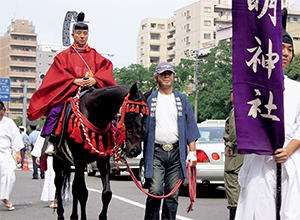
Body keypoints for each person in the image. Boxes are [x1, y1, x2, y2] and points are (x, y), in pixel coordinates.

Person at [235, 9, 300, 220]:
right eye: (281, 47)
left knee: (288, 212)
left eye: (290, 49)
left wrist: (289, 150)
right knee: (257, 210)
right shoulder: (253, 86)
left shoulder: (297, 89)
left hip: (289, 161)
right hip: (259, 160)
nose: (287, 54)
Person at [27, 12, 117, 138]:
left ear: (88, 35)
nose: (82, 37)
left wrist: (95, 80)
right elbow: (56, 75)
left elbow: (106, 68)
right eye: (79, 33)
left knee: (110, 117)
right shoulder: (63, 56)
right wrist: (73, 81)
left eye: (85, 34)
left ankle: (116, 141)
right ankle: (48, 140)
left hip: (92, 93)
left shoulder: (95, 55)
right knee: (55, 112)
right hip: (70, 94)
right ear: (73, 35)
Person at [143, 62, 200, 220]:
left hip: (176, 152)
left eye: (169, 73)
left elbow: (190, 128)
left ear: (174, 77)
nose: (166, 76)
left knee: (172, 195)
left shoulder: (182, 100)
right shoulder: (149, 100)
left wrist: (192, 152)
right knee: (155, 191)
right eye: (163, 74)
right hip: (156, 152)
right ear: (156, 78)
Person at [223, 90, 244, 220]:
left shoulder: (237, 110)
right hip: (245, 152)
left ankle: (235, 215)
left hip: (236, 152)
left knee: (232, 183)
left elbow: (235, 132)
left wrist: (230, 145)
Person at [31, 135, 67, 208]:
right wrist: (38, 155)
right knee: (50, 179)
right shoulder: (47, 129)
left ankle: (58, 198)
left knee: (59, 178)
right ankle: (52, 200)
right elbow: (41, 141)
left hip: (60, 157)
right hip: (49, 157)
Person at [0, 99, 23, 211]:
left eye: (1, 114)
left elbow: (16, 138)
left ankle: (5, 197)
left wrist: (18, 153)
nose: (0, 117)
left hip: (5, 153)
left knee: (10, 177)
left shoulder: (8, 122)